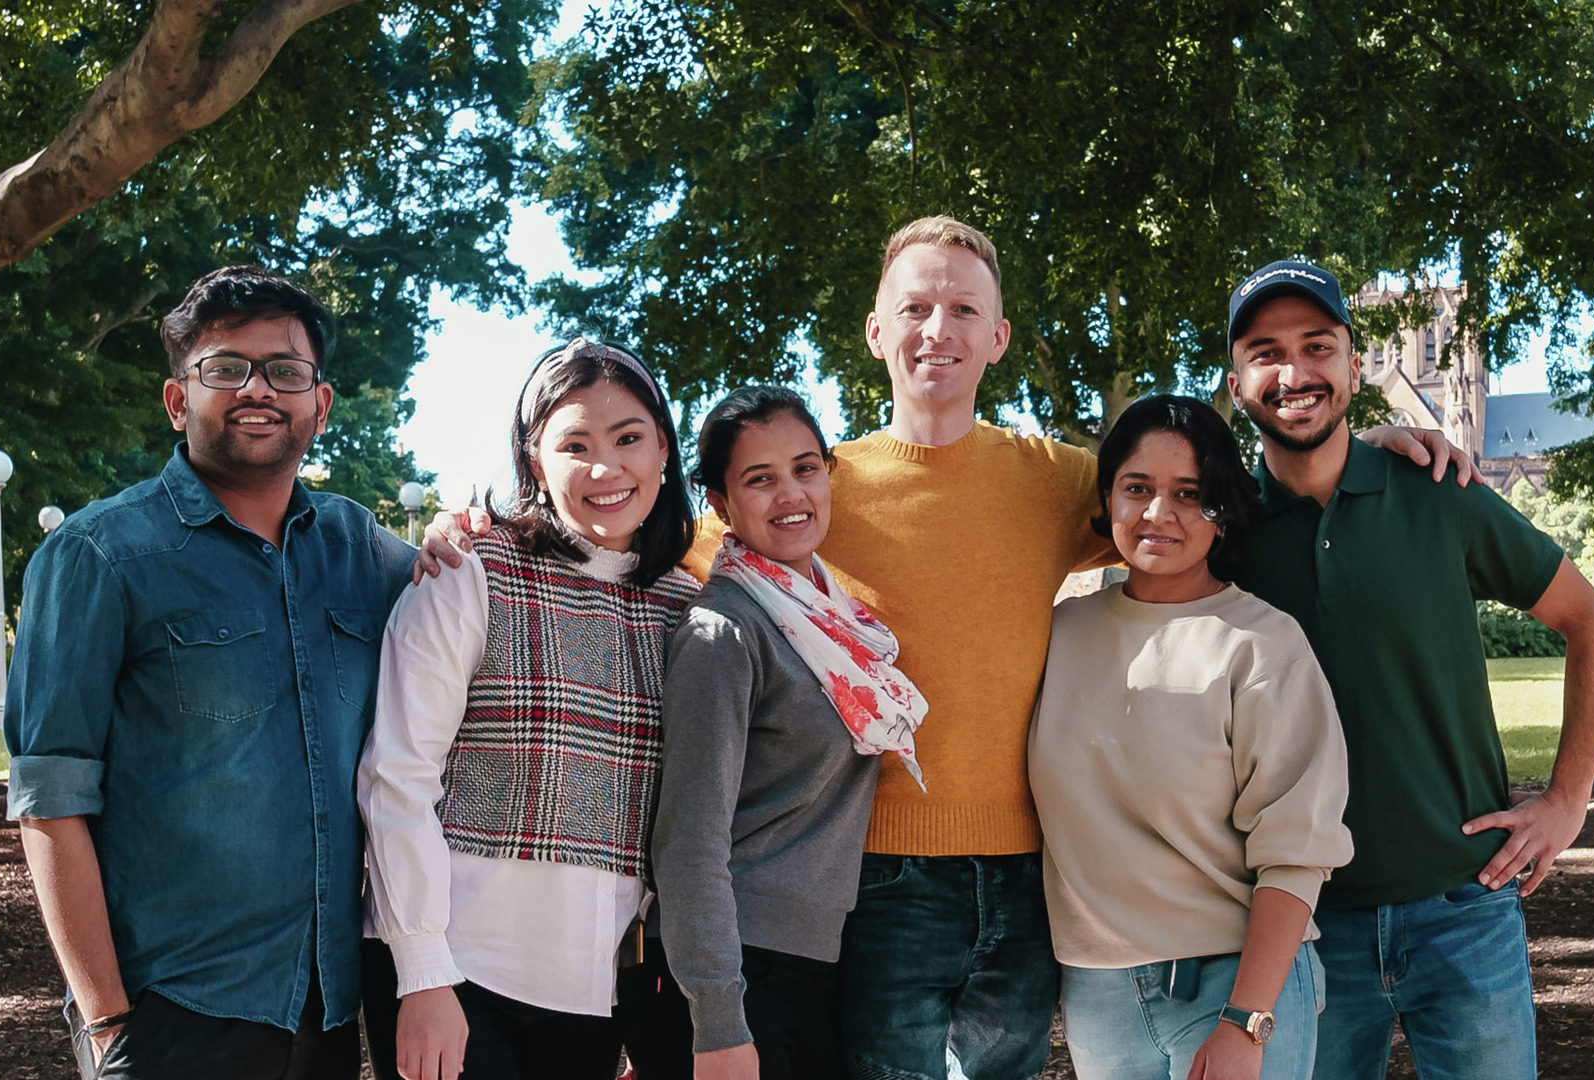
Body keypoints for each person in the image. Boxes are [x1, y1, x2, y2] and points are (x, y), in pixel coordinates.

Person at [419, 220, 1476, 1080]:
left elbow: (1184, 486)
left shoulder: (1057, 478)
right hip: (872, 872)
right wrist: (473, 525)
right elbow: (621, 521)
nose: (939, 329)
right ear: (876, 331)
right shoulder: (802, 491)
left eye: (964, 308)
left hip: (1025, 873)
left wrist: (1361, 446)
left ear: (1000, 335)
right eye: (915, 308)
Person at [5, 266, 415, 1079]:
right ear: (176, 399)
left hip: (327, 1006)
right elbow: (50, 803)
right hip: (171, 1011)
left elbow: (482, 596)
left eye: (285, 371)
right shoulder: (96, 554)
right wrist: (106, 1022)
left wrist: (473, 531)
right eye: (225, 368)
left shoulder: (361, 549)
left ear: (319, 405)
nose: (257, 389)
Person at [1219, 260, 1594, 1080]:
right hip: (1298, 928)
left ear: (1356, 362)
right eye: (1266, 352)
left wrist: (1568, 802)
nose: (1294, 372)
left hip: (1465, 905)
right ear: (1236, 384)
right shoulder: (1223, 534)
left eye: (1316, 346)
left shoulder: (1439, 490)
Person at [357, 338, 699, 1080]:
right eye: (574, 444)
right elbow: (397, 774)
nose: (606, 468)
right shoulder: (469, 570)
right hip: (457, 975)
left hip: (598, 992)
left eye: (628, 438)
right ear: (534, 461)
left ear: (663, 450)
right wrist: (421, 972)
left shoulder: (688, 610)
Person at [1030, 394, 1353, 1080]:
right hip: (1095, 992)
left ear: (1224, 509)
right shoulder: (1058, 633)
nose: (1159, 513)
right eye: (1137, 488)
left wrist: (1247, 1020)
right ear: (1108, 496)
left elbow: (1297, 852)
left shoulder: (1263, 643)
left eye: (1190, 494)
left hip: (1234, 982)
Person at [654, 386, 926, 1080]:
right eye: (759, 479)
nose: (790, 494)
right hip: (736, 972)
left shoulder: (837, 624)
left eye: (805, 468)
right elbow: (688, 841)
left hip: (811, 964)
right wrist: (717, 1017)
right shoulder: (724, 631)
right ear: (720, 503)